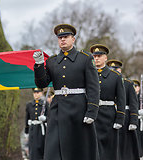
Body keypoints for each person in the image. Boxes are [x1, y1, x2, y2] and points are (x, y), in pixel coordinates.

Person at [33, 24, 100, 160]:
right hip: (58, 109)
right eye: (60, 38)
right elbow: (42, 83)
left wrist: (92, 111)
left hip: (79, 108)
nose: (62, 40)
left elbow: (93, 87)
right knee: (54, 148)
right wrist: (39, 65)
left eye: (66, 37)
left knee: (80, 148)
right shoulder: (52, 61)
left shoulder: (85, 58)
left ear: (73, 39)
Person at [90, 44, 126, 160]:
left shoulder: (115, 76)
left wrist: (120, 119)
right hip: (93, 116)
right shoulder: (89, 74)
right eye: (94, 56)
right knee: (93, 149)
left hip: (109, 116)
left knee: (109, 150)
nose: (96, 58)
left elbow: (121, 99)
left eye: (99, 56)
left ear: (106, 58)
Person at [107, 59, 140, 160]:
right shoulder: (107, 81)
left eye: (116, 69)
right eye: (112, 69)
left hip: (125, 117)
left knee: (125, 145)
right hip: (111, 114)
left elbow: (134, 103)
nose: (114, 71)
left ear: (120, 70)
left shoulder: (128, 83)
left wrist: (133, 120)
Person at [24, 88, 48, 160]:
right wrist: (26, 132)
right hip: (33, 129)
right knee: (33, 150)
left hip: (42, 129)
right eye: (35, 93)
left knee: (42, 148)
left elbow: (50, 117)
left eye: (38, 93)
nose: (36, 94)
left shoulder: (45, 104)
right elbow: (27, 118)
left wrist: (45, 118)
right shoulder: (29, 105)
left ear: (41, 93)